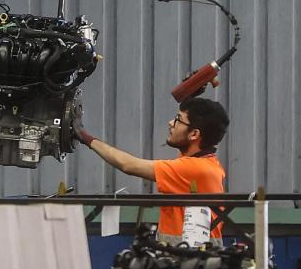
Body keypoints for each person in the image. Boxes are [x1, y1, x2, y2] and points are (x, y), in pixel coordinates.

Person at [76, 97, 230, 243]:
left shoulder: (193, 169)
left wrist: (85, 137)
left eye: (178, 120)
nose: (171, 123)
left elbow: (128, 165)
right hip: (188, 254)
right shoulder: (207, 163)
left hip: (187, 257)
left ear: (194, 134)